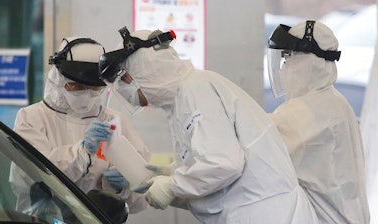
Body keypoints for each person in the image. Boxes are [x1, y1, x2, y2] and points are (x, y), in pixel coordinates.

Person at [98, 26, 319, 224]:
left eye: (122, 80)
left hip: (265, 214)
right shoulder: (182, 99)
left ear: (145, 69)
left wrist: (173, 184)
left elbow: (225, 164)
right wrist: (171, 172)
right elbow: (212, 161)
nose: (122, 90)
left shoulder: (196, 90)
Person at [9, 37, 151, 214]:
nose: (86, 94)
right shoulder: (32, 118)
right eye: (76, 86)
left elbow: (143, 199)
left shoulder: (113, 120)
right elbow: (31, 179)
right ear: (59, 80)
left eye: (94, 89)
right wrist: (82, 153)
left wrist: (124, 186)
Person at [266, 20, 370, 223]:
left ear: (311, 62)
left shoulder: (306, 111)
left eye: (289, 57)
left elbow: (257, 144)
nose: (284, 67)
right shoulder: (334, 101)